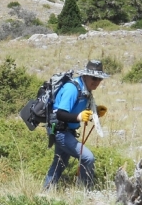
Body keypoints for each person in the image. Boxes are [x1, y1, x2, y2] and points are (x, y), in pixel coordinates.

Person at [44, 60, 109, 189]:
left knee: (59, 164)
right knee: (87, 157)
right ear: (85, 75)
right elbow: (60, 114)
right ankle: (85, 191)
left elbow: (78, 109)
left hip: (67, 132)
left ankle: (45, 194)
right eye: (94, 78)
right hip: (60, 132)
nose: (96, 82)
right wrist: (79, 117)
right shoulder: (72, 89)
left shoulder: (85, 89)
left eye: (99, 79)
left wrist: (94, 112)